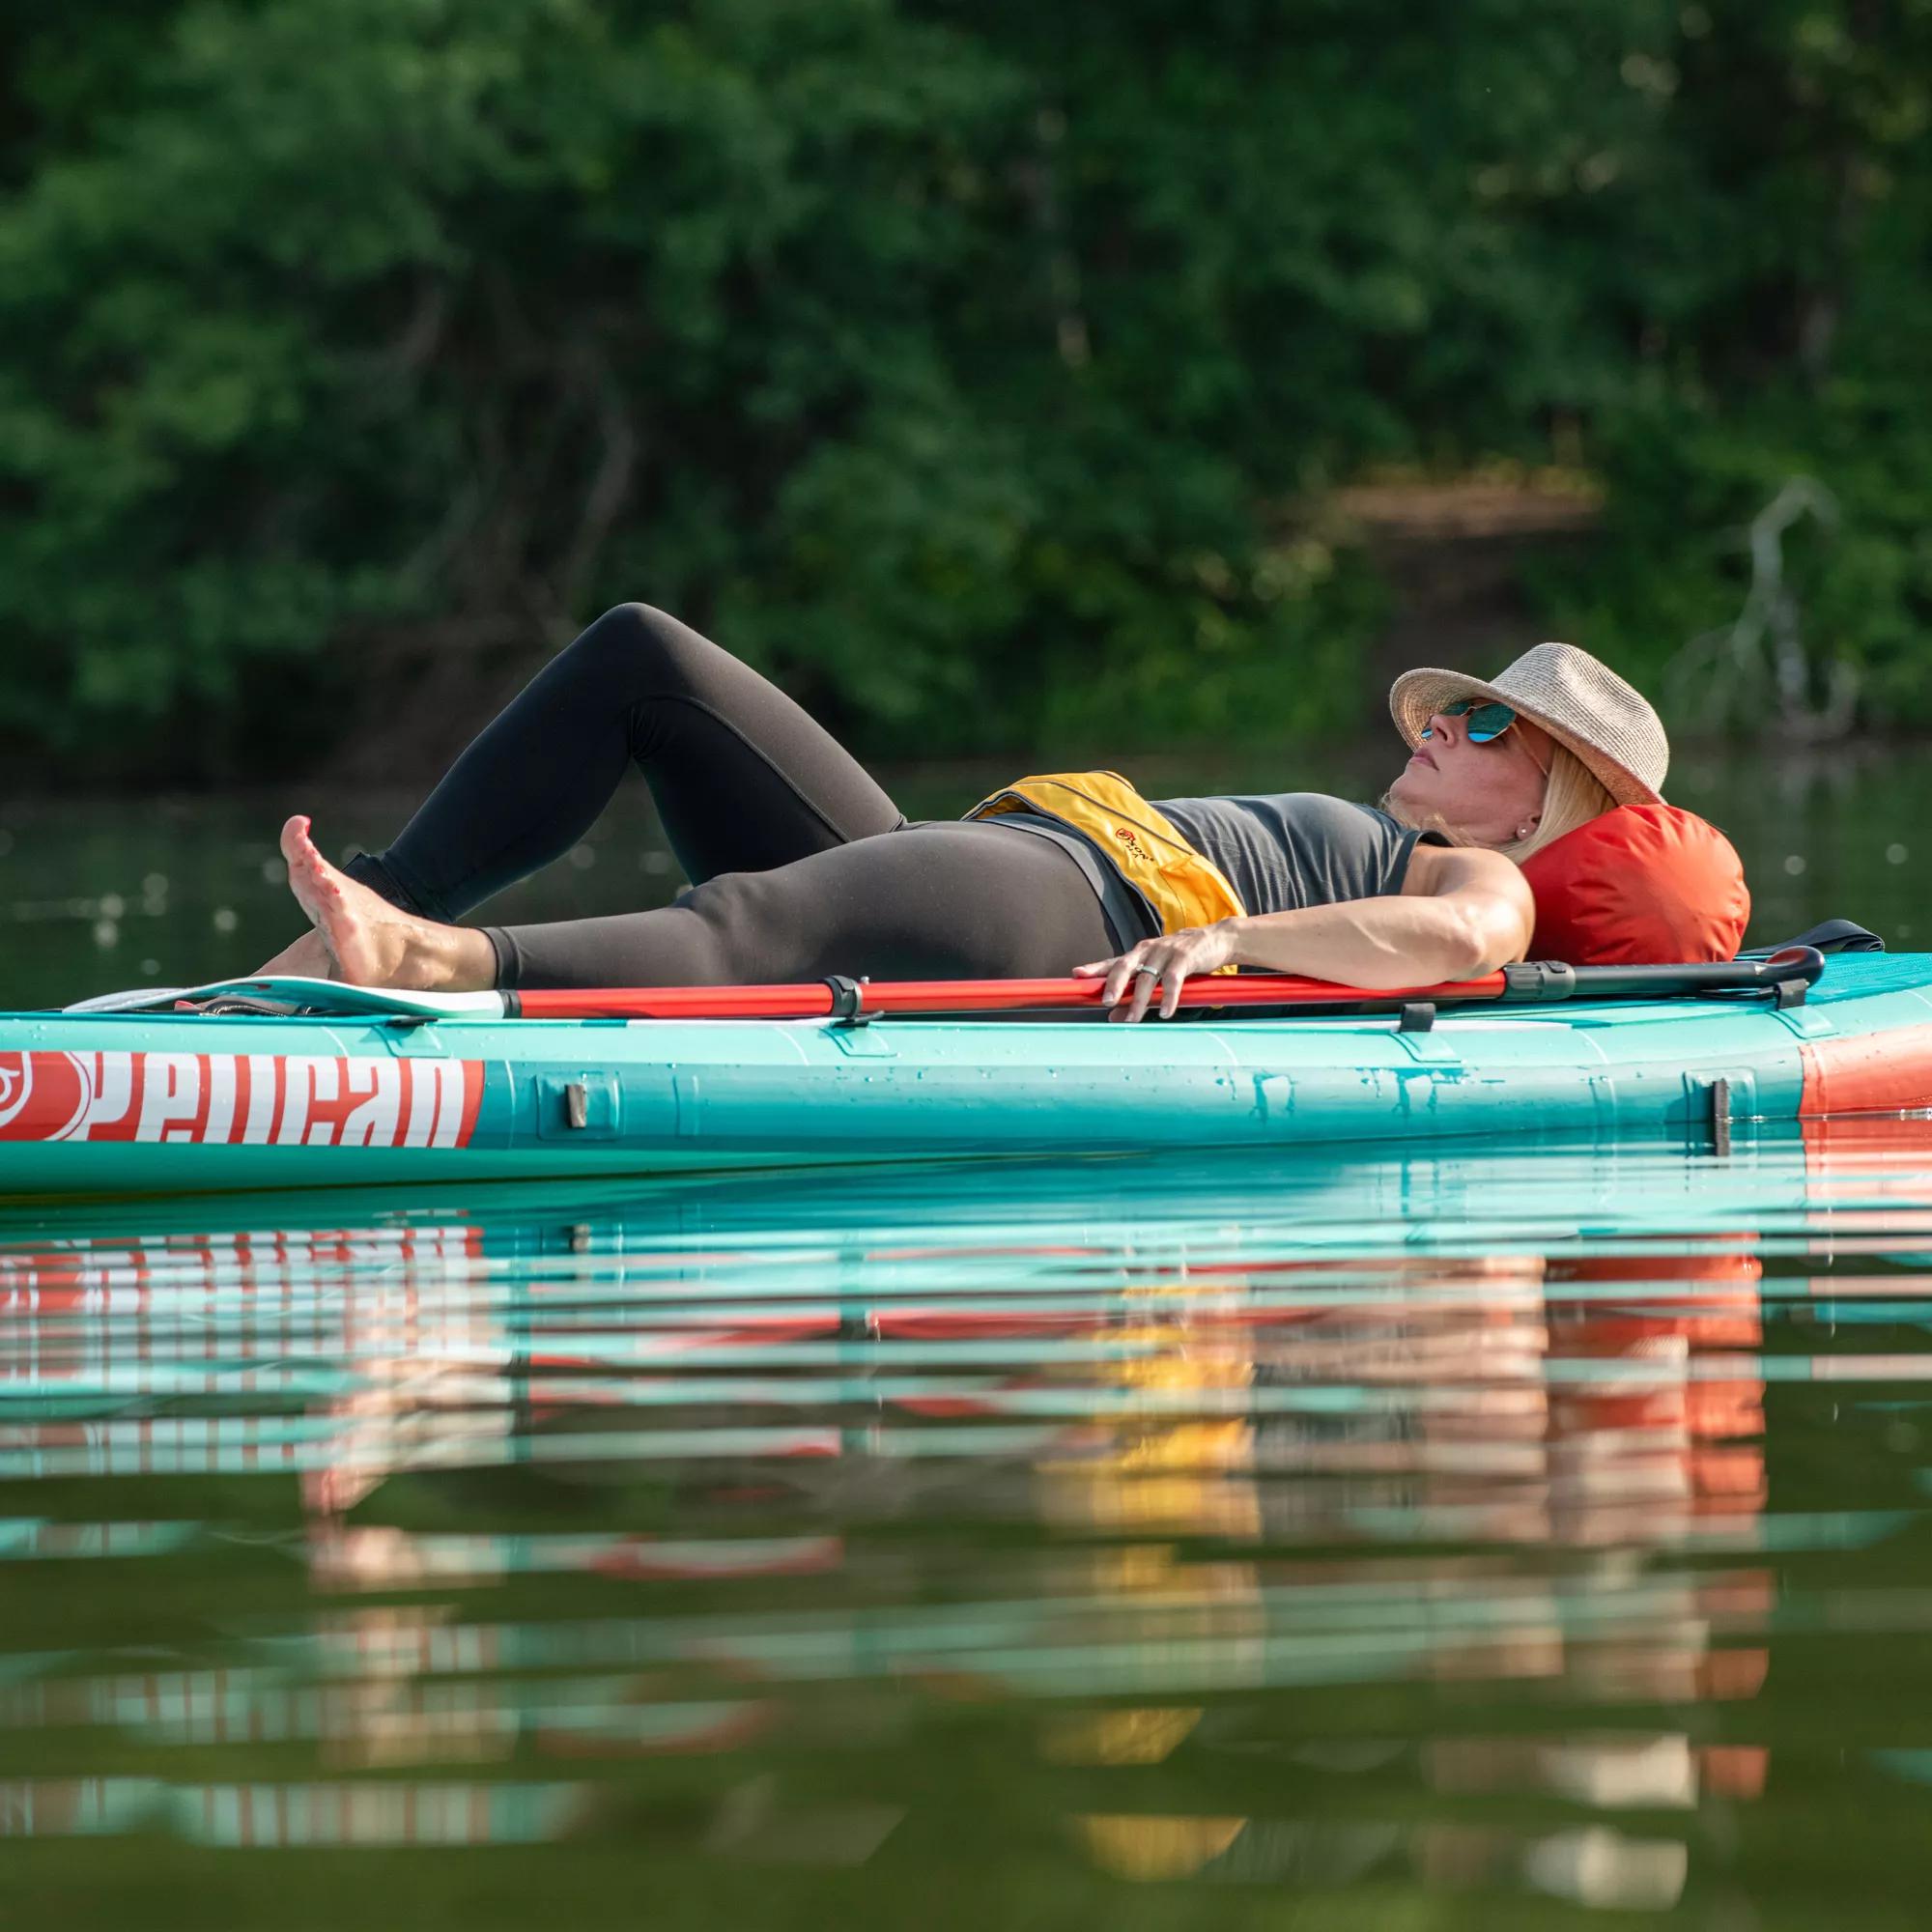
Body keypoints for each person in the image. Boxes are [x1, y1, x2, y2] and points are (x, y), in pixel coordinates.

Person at [260, 604, 1667, 1020]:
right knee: (645, 657)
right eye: (1440, 706)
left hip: (1092, 904)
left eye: (1479, 723)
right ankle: (365, 920)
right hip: (1009, 856)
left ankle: (432, 964)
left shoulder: (1493, 885)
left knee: (761, 923)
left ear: (1546, 807)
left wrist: (1235, 944)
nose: (1433, 725)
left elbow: (1457, 947)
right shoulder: (1400, 838)